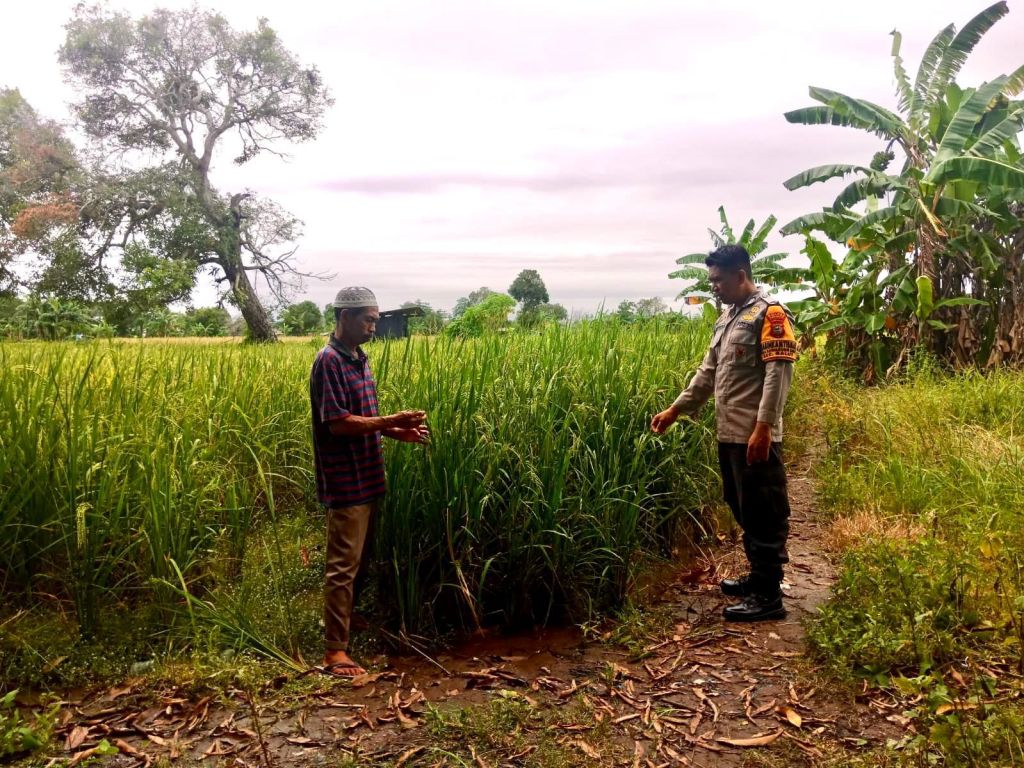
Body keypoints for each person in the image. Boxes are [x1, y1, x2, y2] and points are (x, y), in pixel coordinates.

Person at [651, 245, 797, 622]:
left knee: (764, 513)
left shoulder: (770, 314)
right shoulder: (728, 318)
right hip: (730, 434)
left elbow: (778, 376)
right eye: (711, 280)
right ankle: (758, 578)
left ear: (740, 275)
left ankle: (768, 596)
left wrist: (764, 427)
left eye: (718, 280)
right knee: (742, 507)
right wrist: (676, 410)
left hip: (755, 435)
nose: (713, 286)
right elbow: (708, 373)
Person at [310, 286, 429, 677]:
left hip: (369, 473)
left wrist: (396, 432)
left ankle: (346, 618)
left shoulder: (358, 358)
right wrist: (392, 420)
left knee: (360, 561)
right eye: (368, 320)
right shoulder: (329, 361)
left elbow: (362, 416)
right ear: (345, 317)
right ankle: (334, 651)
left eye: (376, 320)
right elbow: (339, 423)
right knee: (343, 566)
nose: (374, 327)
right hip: (345, 480)